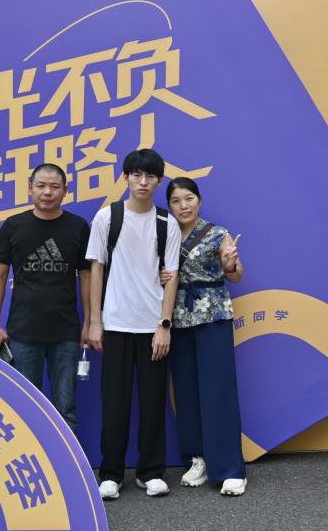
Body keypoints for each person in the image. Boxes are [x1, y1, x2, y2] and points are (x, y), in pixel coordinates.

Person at [86, 149, 181, 499]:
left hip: (152, 325)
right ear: (125, 177)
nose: (143, 182)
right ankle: (111, 474)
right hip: (115, 324)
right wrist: (95, 321)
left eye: (150, 176)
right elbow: (96, 269)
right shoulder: (106, 217)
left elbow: (172, 276)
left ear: (159, 181)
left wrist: (164, 325)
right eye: (136, 175)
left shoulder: (166, 223)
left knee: (153, 401)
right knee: (115, 403)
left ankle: (150, 472)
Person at [0, 164, 90, 434]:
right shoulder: (13, 226)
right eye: (41, 186)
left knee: (65, 409)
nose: (47, 192)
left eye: (55, 187)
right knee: (24, 409)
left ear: (65, 191)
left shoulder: (78, 227)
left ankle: (68, 462)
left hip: (65, 333)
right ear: (29, 188)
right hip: (23, 333)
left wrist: (90, 322)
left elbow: (87, 277)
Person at [162, 176, 247, 496]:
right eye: (176, 201)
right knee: (186, 391)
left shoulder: (217, 233)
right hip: (177, 319)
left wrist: (230, 264)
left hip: (213, 316)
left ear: (199, 200)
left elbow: (237, 276)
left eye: (189, 198)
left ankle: (230, 468)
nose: (183, 206)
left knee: (218, 390)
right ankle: (197, 459)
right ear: (169, 206)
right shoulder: (165, 235)